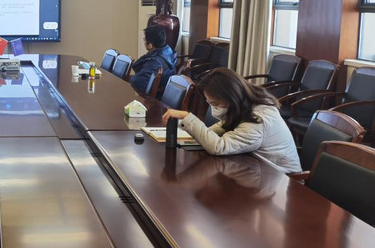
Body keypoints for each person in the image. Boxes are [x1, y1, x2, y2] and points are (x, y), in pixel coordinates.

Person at [162, 68, 301, 174]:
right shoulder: (244, 105)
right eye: (210, 103)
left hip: (282, 180)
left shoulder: (258, 119)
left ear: (231, 98)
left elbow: (219, 147)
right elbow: (222, 127)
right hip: (255, 170)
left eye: (216, 104)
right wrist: (199, 133)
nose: (213, 108)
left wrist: (187, 117)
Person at [129, 26, 177, 98]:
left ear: (150, 45)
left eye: (145, 40)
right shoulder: (168, 51)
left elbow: (138, 83)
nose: (144, 42)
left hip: (153, 99)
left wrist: (130, 78)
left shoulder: (154, 62)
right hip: (159, 94)